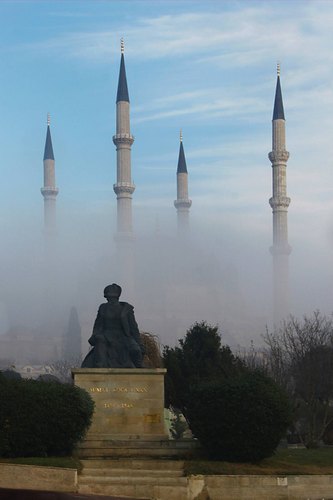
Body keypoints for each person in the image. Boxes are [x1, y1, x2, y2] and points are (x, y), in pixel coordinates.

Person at [81, 284, 144, 368]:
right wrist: (96, 335)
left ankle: (139, 368)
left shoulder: (127, 309)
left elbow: (133, 328)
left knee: (136, 350)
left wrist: (138, 343)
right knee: (100, 344)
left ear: (117, 297)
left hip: (123, 336)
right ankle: (99, 366)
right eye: (108, 298)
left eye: (112, 298)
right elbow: (98, 324)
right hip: (106, 335)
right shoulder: (103, 308)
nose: (110, 300)